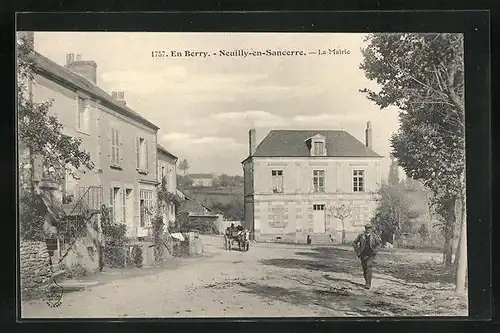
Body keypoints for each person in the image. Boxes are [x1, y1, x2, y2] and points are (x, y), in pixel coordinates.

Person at [353, 223, 381, 289]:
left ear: (371, 229)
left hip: (371, 254)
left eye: (369, 228)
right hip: (363, 254)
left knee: (368, 267)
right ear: (365, 229)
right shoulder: (361, 236)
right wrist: (358, 251)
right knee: (365, 269)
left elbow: (378, 244)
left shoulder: (374, 236)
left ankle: (368, 283)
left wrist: (375, 251)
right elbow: (354, 243)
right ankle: (366, 280)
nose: (368, 230)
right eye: (367, 228)